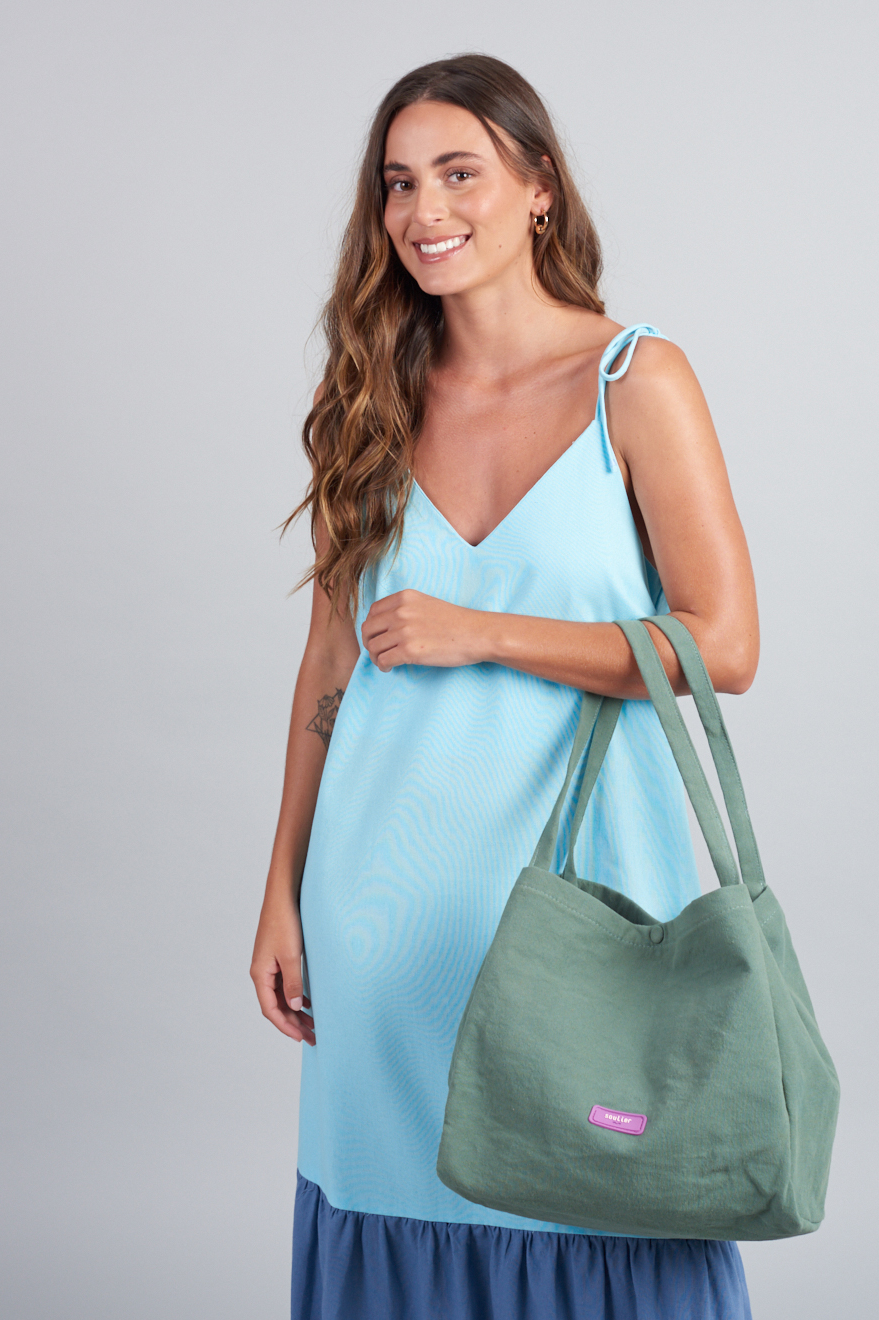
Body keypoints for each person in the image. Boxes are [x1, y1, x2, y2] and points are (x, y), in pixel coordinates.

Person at [251, 52, 760, 1320]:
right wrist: (280, 889)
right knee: (392, 1196)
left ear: (538, 188)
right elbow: (328, 662)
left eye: (458, 173)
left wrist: (486, 632)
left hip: (584, 905)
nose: (423, 210)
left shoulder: (634, 380)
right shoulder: (363, 397)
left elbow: (723, 646)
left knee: (594, 1207)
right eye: (397, 183)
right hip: (383, 907)